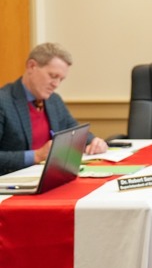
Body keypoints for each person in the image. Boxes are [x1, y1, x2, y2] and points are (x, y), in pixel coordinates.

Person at [0, 42, 107, 175]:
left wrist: (94, 141)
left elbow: (73, 129)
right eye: (53, 76)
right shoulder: (4, 101)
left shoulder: (53, 100)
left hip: (48, 177)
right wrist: (37, 156)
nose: (56, 84)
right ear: (31, 66)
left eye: (61, 79)